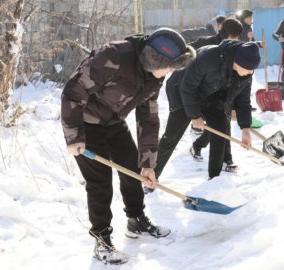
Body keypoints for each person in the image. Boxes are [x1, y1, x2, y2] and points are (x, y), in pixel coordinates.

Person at [61, 28, 196, 265]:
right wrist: (74, 136)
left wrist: (148, 163)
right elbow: (73, 90)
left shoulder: (154, 74)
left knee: (134, 170)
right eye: (169, 67)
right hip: (85, 124)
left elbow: (148, 117)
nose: (169, 74)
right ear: (154, 59)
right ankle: (101, 241)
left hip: (113, 122)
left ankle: (136, 219)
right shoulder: (114, 57)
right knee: (100, 183)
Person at [155, 39, 260, 181]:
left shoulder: (245, 73)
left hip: (210, 93)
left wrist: (245, 128)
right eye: (248, 68)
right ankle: (151, 175)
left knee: (221, 128)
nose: (251, 72)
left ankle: (214, 179)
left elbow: (243, 100)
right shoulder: (208, 58)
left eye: (253, 69)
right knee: (173, 135)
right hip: (181, 90)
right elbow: (187, 88)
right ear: (237, 61)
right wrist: (195, 116)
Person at [186, 19, 244, 172]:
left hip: (220, 90)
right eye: (234, 37)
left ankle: (225, 159)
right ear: (224, 34)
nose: (237, 41)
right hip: (201, 91)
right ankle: (202, 148)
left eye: (238, 37)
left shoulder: (236, 49)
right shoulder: (209, 43)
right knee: (219, 126)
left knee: (221, 125)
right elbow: (190, 53)